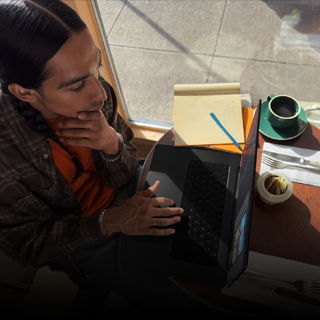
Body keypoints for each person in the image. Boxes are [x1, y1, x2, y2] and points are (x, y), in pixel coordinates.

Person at [0, 0, 223, 316]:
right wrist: (113, 220)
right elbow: (30, 245)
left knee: (216, 221)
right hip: (85, 232)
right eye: (78, 85)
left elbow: (125, 171)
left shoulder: (92, 94)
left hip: (130, 188)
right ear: (25, 93)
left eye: (97, 68)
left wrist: (111, 144)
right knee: (191, 295)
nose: (99, 94)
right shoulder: (5, 152)